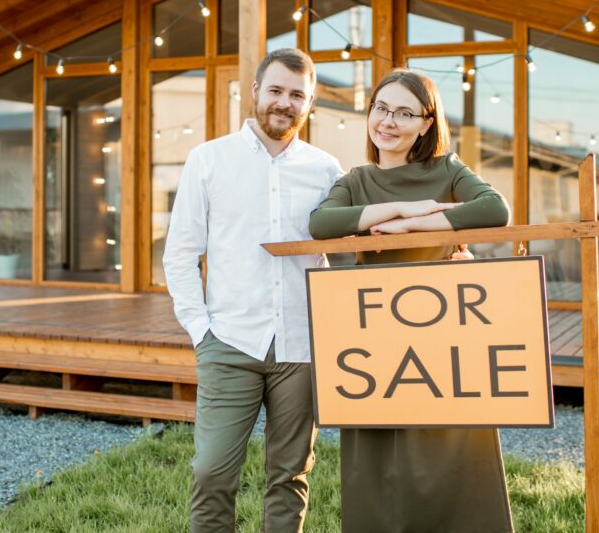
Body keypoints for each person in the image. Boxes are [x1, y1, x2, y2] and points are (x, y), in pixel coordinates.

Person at [309, 69, 514, 533]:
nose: (389, 121)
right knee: (379, 455)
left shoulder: (447, 170)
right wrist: (404, 208)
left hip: (443, 336)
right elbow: (321, 225)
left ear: (426, 123)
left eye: (405, 113)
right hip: (375, 338)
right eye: (381, 108)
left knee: (452, 448)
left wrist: (407, 228)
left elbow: (494, 210)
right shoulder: (356, 180)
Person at [163, 47, 343, 532]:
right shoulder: (208, 160)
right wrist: (202, 331)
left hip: (302, 345)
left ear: (309, 105)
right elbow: (180, 254)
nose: (285, 102)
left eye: (297, 95)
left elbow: (349, 249)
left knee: (290, 475)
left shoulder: (328, 170)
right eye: (277, 90)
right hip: (230, 341)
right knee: (211, 471)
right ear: (255, 91)